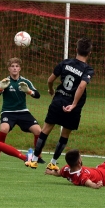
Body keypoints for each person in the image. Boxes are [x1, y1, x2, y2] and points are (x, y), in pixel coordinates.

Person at [25, 37, 94, 170]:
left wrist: (51, 89)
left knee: (45, 130)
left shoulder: (65, 63)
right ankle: (53, 163)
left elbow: (50, 80)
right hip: (73, 106)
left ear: (76, 50)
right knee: (65, 135)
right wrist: (74, 104)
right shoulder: (88, 70)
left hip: (58, 100)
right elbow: (81, 87)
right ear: (89, 53)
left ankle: (33, 160)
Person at [0, 57, 45, 163]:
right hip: (8, 112)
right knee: (4, 128)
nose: (14, 68)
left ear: (20, 69)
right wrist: (0, 89)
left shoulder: (25, 81)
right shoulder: (4, 81)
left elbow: (37, 95)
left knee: (38, 130)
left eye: (17, 66)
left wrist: (29, 91)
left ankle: (38, 156)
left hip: (23, 112)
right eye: (12, 66)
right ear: (9, 69)